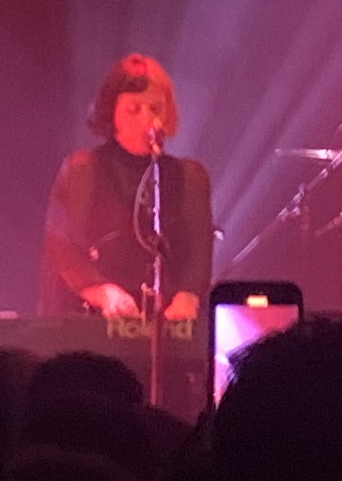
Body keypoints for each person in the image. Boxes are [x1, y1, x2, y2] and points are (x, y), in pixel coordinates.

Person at [39, 54, 215, 386]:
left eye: (155, 108)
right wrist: (101, 290)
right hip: (94, 333)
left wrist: (188, 295)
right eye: (133, 110)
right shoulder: (82, 170)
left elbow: (199, 246)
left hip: (168, 333)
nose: (147, 120)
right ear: (112, 113)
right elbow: (63, 247)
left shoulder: (190, 177)